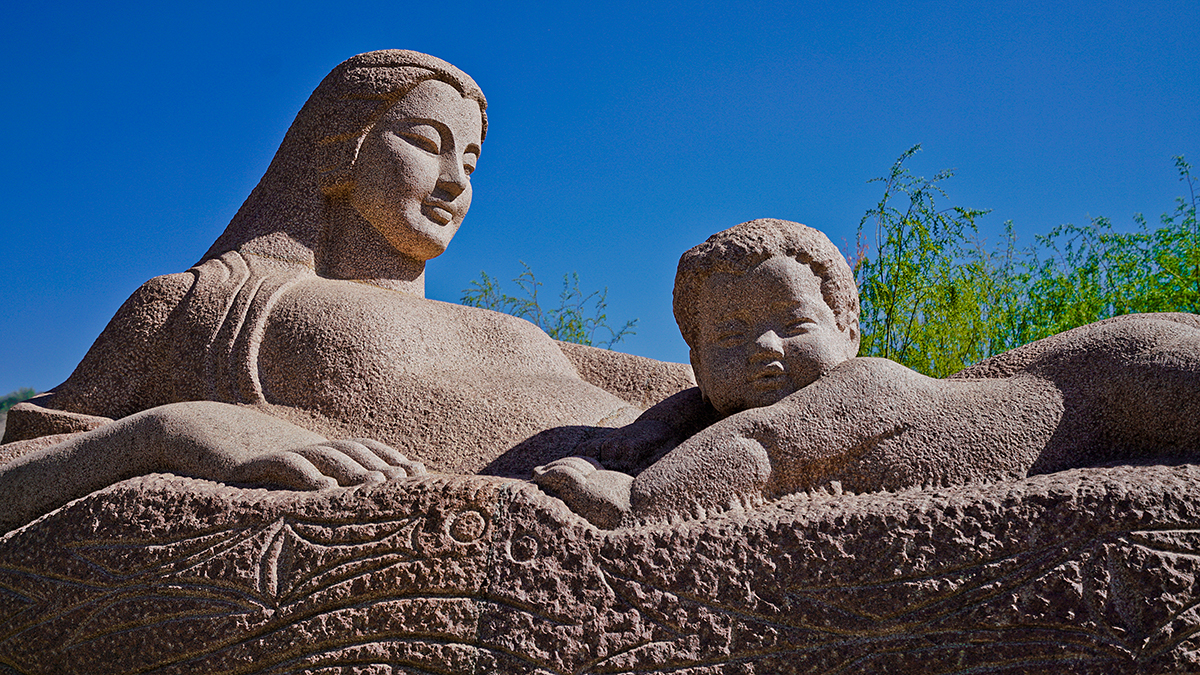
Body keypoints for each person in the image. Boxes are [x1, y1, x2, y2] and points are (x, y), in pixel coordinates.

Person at [0, 51, 690, 532]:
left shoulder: (503, 330)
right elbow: (12, 479)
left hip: (672, 477)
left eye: (471, 160)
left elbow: (705, 385)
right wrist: (169, 429)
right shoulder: (202, 305)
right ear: (338, 151)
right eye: (426, 142)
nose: (455, 181)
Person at [534, 218, 1200, 528]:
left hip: (1111, 380)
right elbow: (692, 415)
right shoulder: (695, 411)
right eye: (731, 338)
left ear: (848, 333)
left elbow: (759, 445)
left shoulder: (863, 385)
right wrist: (631, 439)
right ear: (700, 367)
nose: (766, 347)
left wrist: (636, 500)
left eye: (793, 325)